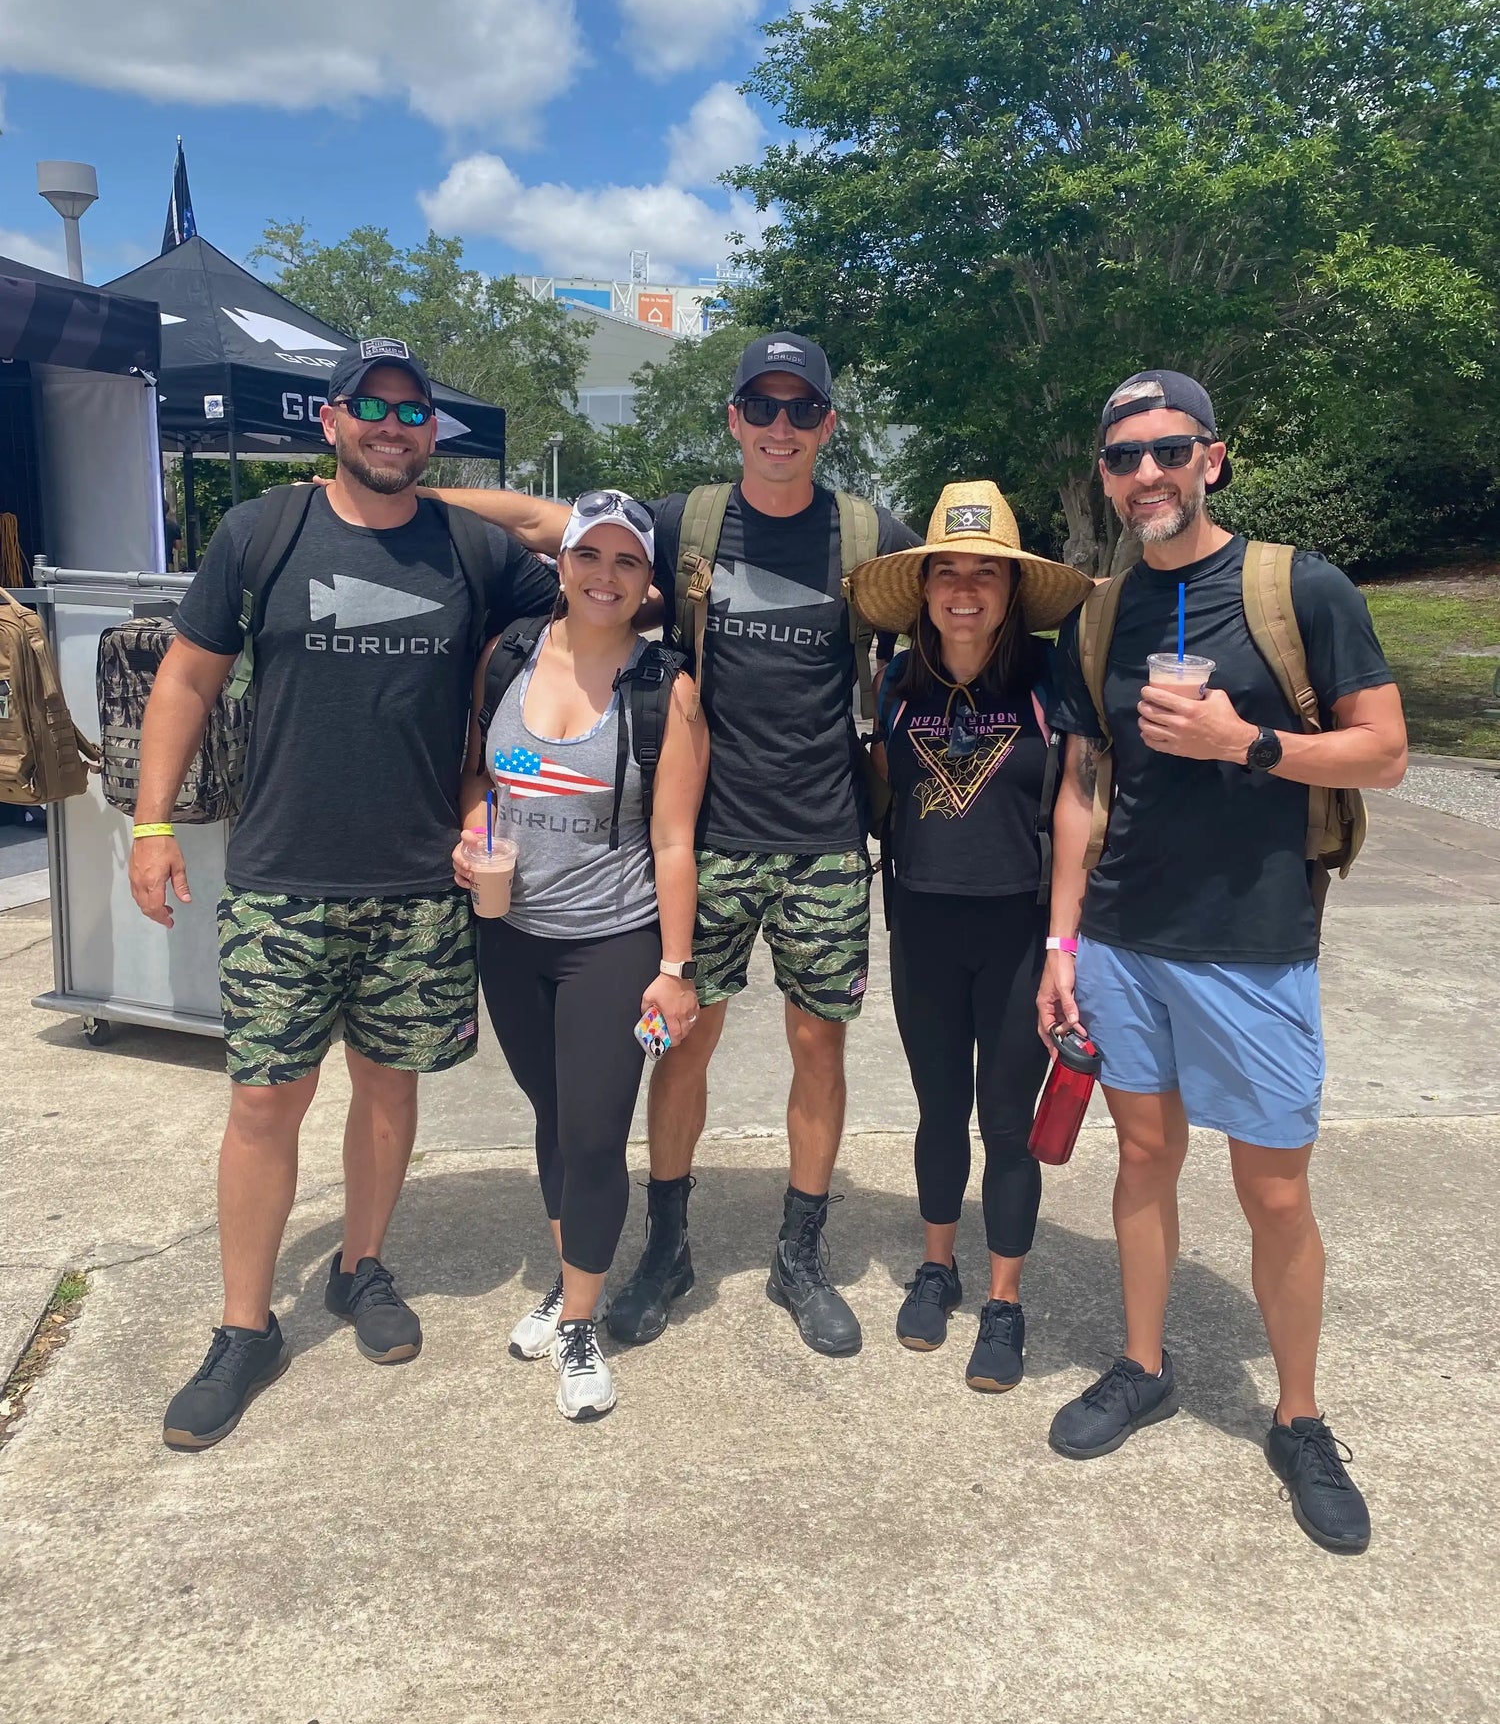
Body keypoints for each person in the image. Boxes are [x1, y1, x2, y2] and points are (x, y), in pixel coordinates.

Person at [425, 333, 922, 1359]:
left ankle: (800, 1255)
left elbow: (963, 597)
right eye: (761, 406)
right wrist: (405, 495)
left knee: (818, 1047)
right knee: (681, 1045)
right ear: (734, 418)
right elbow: (540, 521)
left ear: (827, 423)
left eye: (802, 409)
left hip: (825, 836)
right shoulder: (684, 521)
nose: (781, 426)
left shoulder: (867, 531)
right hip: (709, 835)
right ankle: (667, 1244)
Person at [132, 341, 557, 1451]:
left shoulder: (467, 547)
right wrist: (151, 821)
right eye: (370, 407)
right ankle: (243, 1325)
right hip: (284, 873)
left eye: (413, 413)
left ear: (434, 433)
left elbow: (589, 555)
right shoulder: (260, 533)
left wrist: (437, 494)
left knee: (387, 1088)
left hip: (418, 878)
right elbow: (186, 675)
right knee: (265, 1102)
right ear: (329, 419)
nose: (391, 425)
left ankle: (361, 1264)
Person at [1038, 369, 1407, 1553]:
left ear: (1214, 457)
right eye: (1124, 456)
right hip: (1123, 937)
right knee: (1144, 1156)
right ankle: (1143, 1363)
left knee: (1276, 1190)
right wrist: (1061, 941)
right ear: (1105, 477)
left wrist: (1246, 740)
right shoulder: (1098, 616)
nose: (1147, 473)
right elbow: (1081, 785)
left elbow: (1384, 751)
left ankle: (1298, 1417)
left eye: (1169, 449)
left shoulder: (1299, 588)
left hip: (1253, 943)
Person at [453, 492, 708, 1422]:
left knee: (596, 1134)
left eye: (627, 561)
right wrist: (473, 835)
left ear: (648, 583)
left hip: (613, 942)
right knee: (554, 1116)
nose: (606, 576)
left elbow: (673, 840)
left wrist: (674, 970)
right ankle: (571, 1277)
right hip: (510, 935)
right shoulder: (507, 656)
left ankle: (580, 1323)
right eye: (589, 556)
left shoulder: (664, 689)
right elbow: (479, 777)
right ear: (561, 564)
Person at [851, 481, 1092, 1387]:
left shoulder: (1048, 677)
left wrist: (1064, 946)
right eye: (945, 571)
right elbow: (885, 786)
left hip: (1018, 931)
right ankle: (936, 1265)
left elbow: (1077, 805)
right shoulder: (897, 682)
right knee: (939, 1108)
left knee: (1007, 1123)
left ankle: (1005, 1300)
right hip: (921, 923)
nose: (963, 590)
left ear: (1012, 589)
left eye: (984, 573)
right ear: (922, 589)